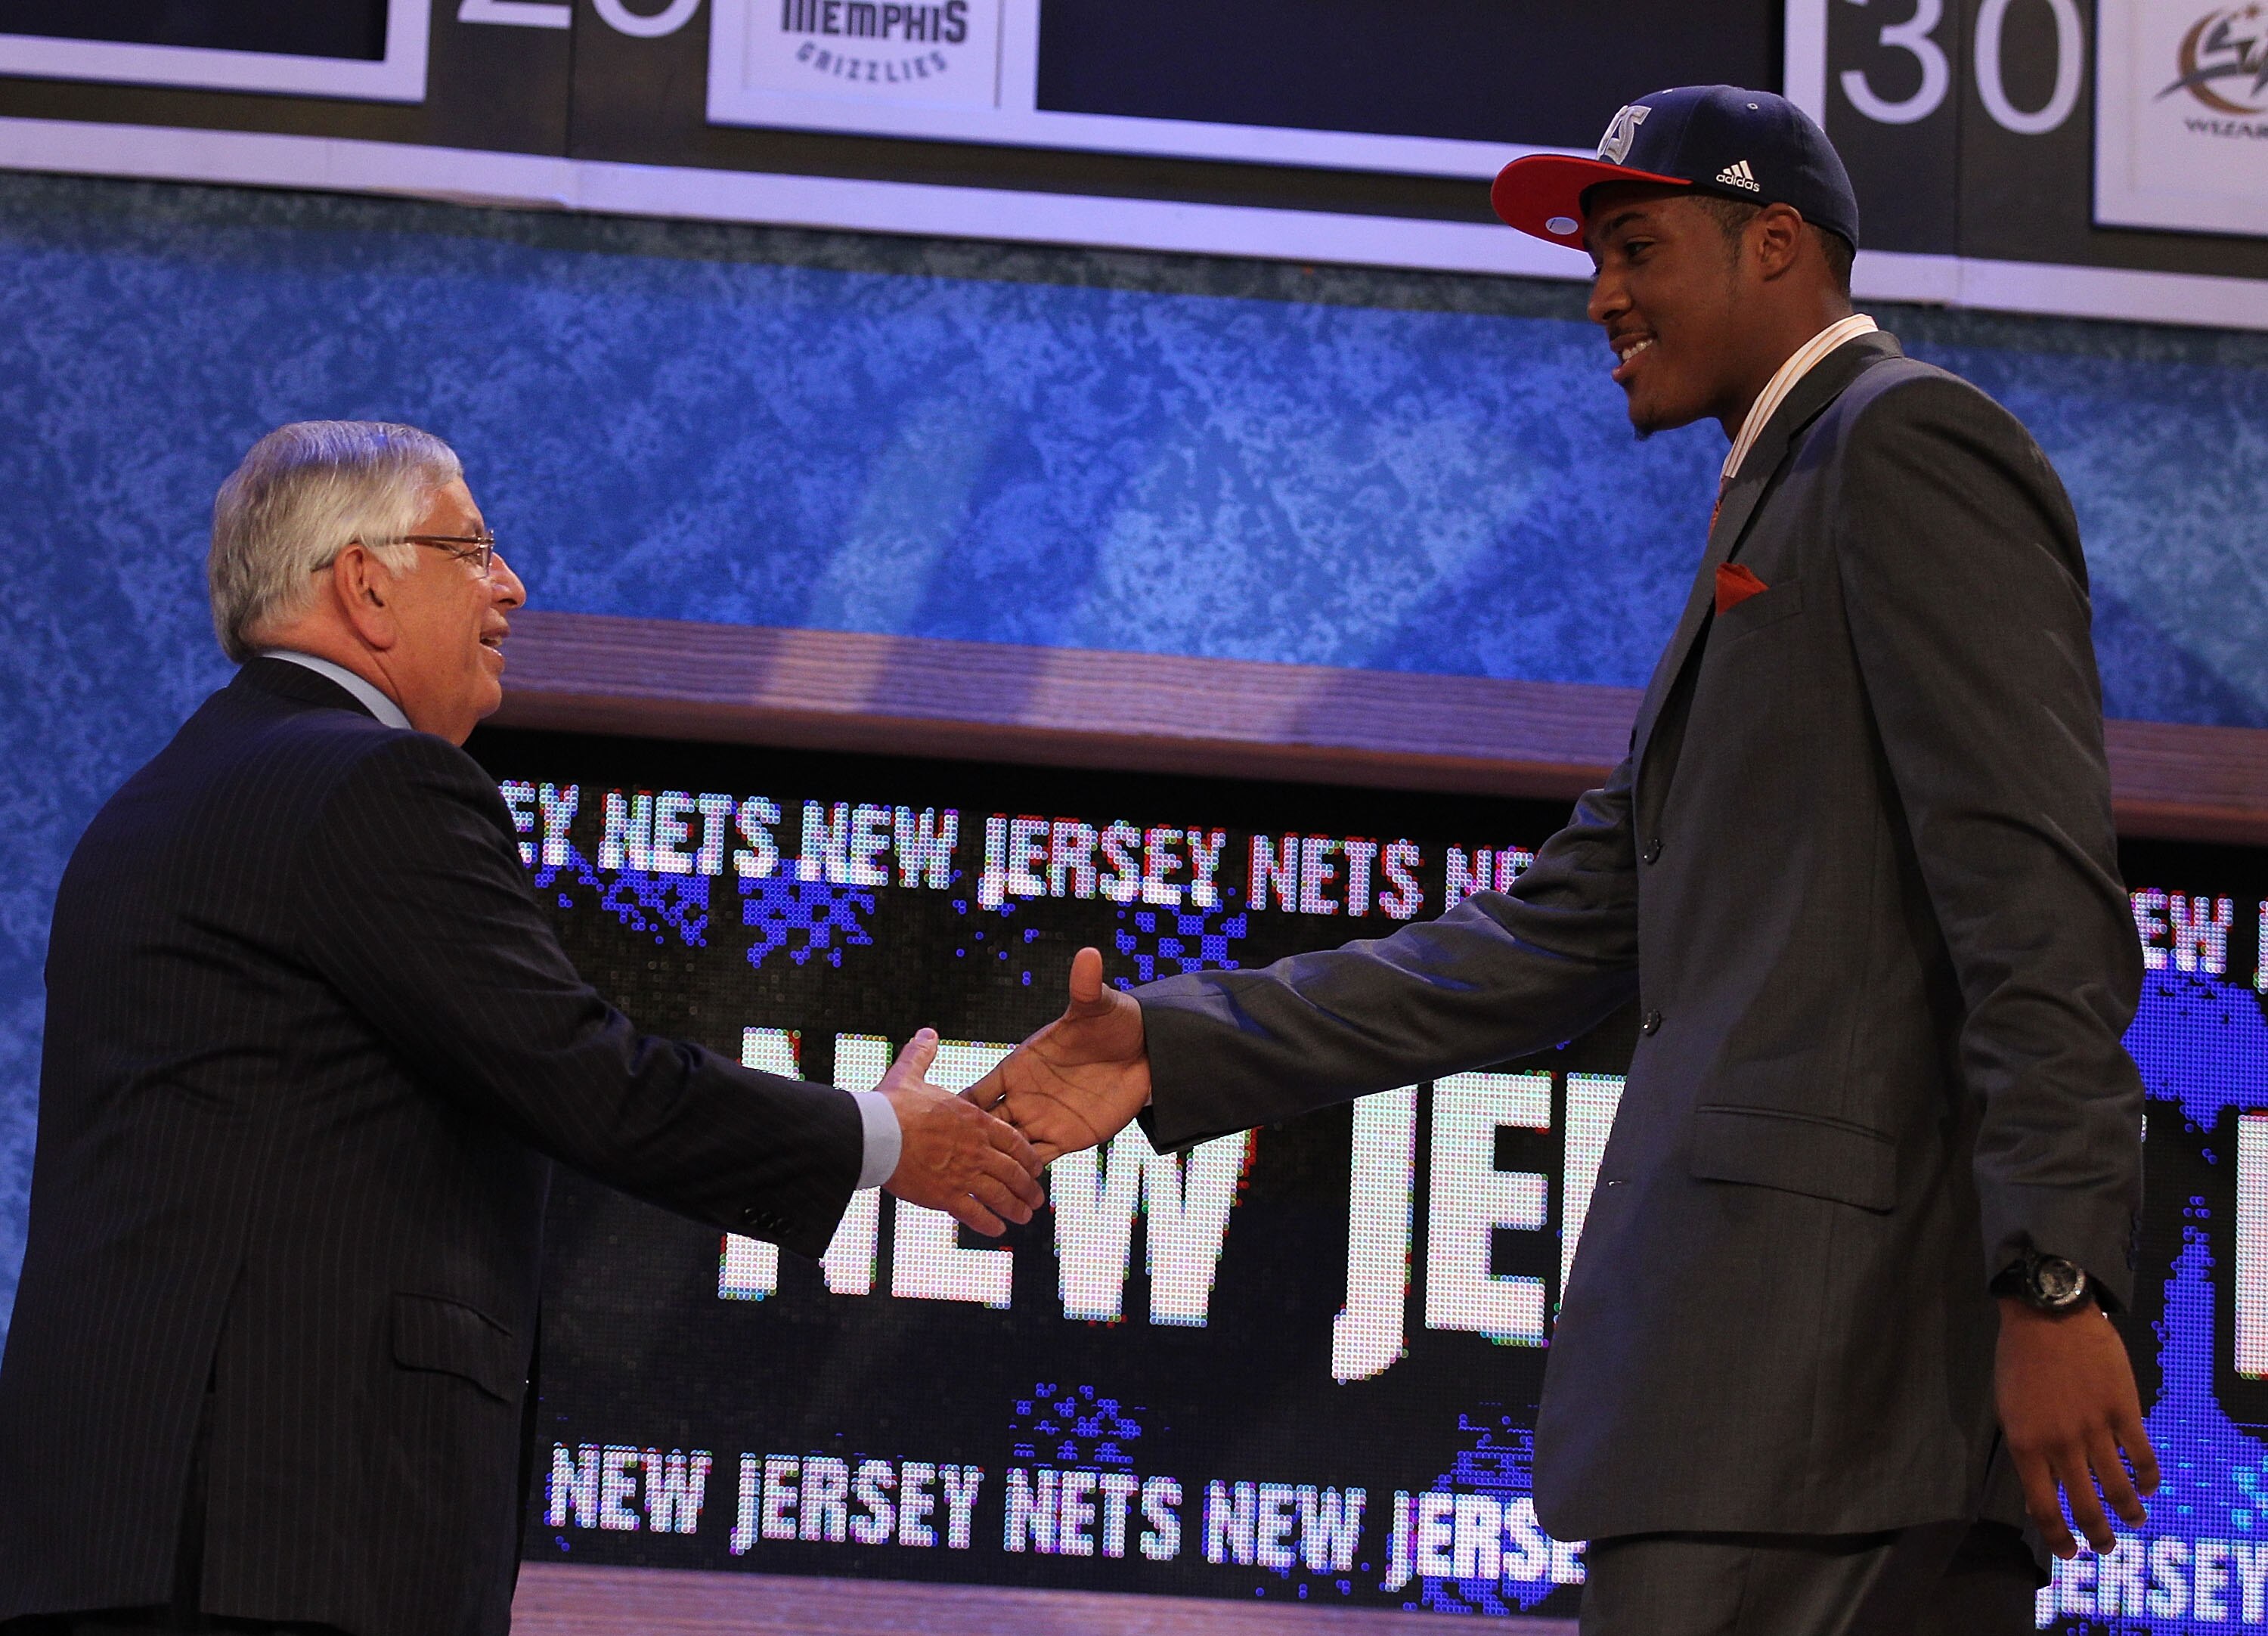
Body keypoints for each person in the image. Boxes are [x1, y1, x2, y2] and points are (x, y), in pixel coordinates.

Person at [974, 86, 2154, 1634]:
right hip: (1744, 1421)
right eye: (1596, 255)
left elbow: (2037, 897)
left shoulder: (1906, 443)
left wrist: (2055, 1275)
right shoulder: (1782, 491)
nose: (1602, 292)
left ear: (1780, 244)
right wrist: (1179, 1040)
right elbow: (1551, 933)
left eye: (1640, 244)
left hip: (1831, 1414)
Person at [0, 420, 1045, 1636]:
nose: (512, 585)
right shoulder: (371, 784)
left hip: (114, 1536)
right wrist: (879, 1139)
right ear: (367, 584)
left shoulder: (159, 799)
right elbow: (586, 1076)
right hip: (280, 1539)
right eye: (474, 548)